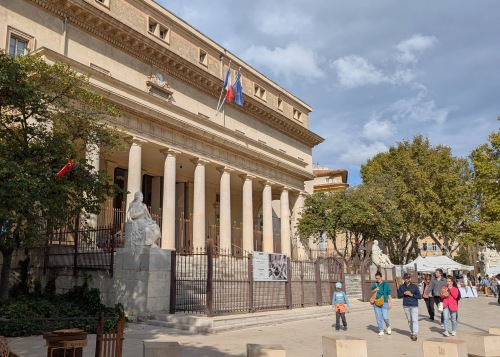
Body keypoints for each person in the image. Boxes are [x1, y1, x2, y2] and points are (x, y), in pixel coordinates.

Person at [397, 273, 421, 341]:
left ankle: (415, 333)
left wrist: (412, 295)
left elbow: (419, 296)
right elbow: (399, 296)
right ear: (404, 279)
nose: (406, 279)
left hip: (414, 305)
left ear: (410, 279)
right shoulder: (402, 287)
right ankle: (412, 331)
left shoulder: (414, 287)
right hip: (406, 305)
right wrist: (404, 293)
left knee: (414, 319)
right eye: (405, 278)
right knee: (409, 320)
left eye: (408, 278)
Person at [371, 271, 392, 336]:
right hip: (376, 302)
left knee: (385, 317)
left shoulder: (386, 285)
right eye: (376, 278)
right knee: (378, 317)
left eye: (379, 278)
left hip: (384, 302)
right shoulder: (374, 284)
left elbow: (389, 294)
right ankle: (381, 330)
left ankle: (388, 326)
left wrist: (390, 302)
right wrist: (375, 290)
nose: (378, 279)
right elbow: (371, 291)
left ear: (381, 277)